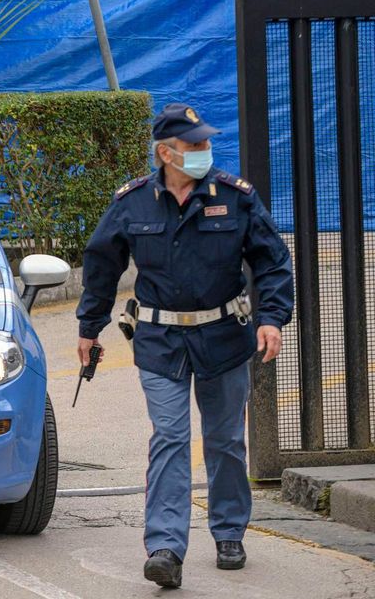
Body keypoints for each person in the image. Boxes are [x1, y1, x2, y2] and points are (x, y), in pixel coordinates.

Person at [76, 104, 294, 588]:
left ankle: (229, 530)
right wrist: (89, 329)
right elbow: (100, 265)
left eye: (204, 143)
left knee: (225, 441)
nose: (204, 152)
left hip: (224, 338)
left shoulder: (235, 197)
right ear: (165, 152)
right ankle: (166, 547)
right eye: (194, 145)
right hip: (160, 342)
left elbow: (272, 261)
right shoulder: (133, 202)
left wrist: (272, 319)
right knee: (170, 438)